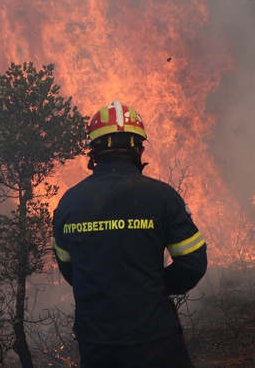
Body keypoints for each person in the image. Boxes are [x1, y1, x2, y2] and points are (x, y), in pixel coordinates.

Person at [52, 100, 208, 368]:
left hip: (97, 342)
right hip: (154, 339)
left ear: (93, 151)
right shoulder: (161, 197)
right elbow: (192, 262)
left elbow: (70, 271)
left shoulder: (68, 202)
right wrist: (156, 287)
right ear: (139, 148)